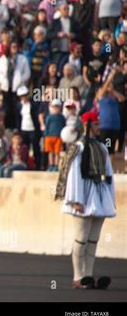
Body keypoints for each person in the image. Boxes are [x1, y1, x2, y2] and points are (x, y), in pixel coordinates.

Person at [55, 111, 116, 289]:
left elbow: (108, 174)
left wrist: (109, 199)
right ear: (88, 125)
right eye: (96, 124)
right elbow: (74, 175)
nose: (99, 127)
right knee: (81, 238)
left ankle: (88, 275)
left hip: (98, 196)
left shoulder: (102, 147)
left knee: (93, 239)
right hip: (83, 196)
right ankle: (78, 276)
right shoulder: (79, 148)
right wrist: (75, 200)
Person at [44, 99, 66, 172]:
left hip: (58, 137)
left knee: (57, 152)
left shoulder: (62, 117)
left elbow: (64, 127)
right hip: (49, 137)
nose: (56, 108)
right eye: (54, 107)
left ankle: (56, 166)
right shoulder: (49, 117)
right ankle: (51, 165)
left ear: (60, 107)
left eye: (57, 107)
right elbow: (46, 126)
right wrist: (46, 135)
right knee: (50, 152)